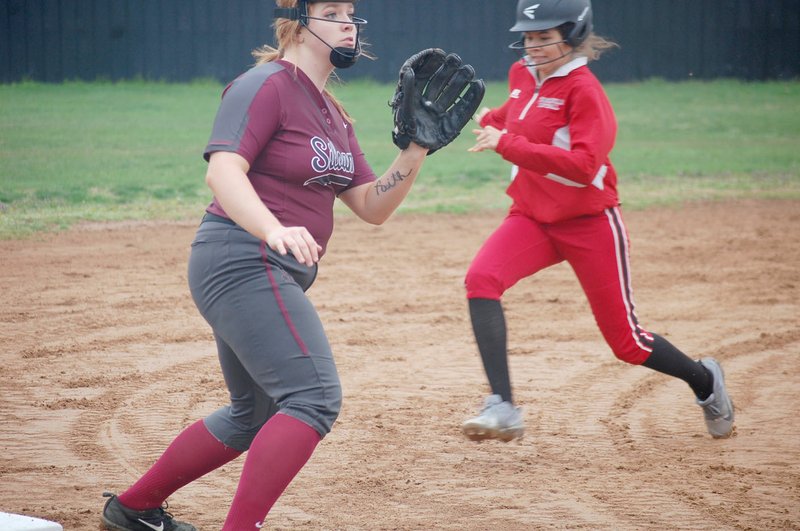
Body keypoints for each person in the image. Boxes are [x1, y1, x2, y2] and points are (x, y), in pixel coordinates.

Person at [98, 2, 475, 529]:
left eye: (352, 11)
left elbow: (372, 206)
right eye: (331, 10)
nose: (349, 21)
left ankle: (132, 510)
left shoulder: (333, 113)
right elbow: (224, 172)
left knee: (251, 415)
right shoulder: (264, 85)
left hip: (263, 268)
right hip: (242, 258)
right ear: (298, 23)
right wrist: (272, 228)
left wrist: (416, 148)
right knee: (314, 397)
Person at [460, 0, 734, 443]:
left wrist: (506, 143)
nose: (534, 47)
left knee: (626, 343)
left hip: (589, 222)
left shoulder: (584, 91)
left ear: (572, 39)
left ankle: (705, 381)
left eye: (545, 38)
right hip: (532, 216)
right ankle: (503, 406)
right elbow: (509, 120)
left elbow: (584, 165)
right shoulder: (520, 77)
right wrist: (470, 118)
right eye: (529, 38)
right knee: (481, 279)